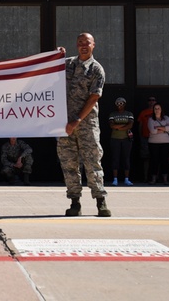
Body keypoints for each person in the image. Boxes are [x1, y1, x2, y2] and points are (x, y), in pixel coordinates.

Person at [57, 33, 112, 217]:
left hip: (86, 123)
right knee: (69, 163)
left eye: (86, 43)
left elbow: (94, 97)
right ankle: (75, 202)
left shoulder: (96, 69)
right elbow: (48, 71)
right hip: (64, 125)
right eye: (79, 42)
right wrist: (56, 56)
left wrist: (77, 120)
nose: (83, 45)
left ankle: (100, 201)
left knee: (92, 162)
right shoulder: (67, 64)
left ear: (93, 45)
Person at [107, 97, 135, 186]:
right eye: (118, 103)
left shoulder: (129, 113)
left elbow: (130, 125)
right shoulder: (112, 114)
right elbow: (111, 125)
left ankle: (126, 179)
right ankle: (115, 179)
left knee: (126, 158)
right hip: (115, 138)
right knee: (115, 158)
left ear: (124, 104)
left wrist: (118, 127)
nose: (119, 105)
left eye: (121, 103)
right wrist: (124, 125)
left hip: (127, 139)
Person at [147, 102, 169, 185]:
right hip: (153, 143)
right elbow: (152, 131)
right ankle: (153, 179)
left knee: (164, 161)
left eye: (158, 108)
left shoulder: (166, 118)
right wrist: (164, 129)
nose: (157, 110)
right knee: (154, 161)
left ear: (161, 110)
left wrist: (158, 128)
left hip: (165, 142)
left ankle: (165, 179)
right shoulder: (151, 119)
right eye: (155, 108)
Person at [135, 96, 156, 184]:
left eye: (153, 100)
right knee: (146, 158)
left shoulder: (158, 112)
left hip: (155, 137)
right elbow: (140, 125)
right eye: (149, 100)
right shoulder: (143, 112)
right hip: (145, 137)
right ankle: (146, 177)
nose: (151, 102)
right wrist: (140, 136)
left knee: (155, 158)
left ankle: (155, 177)